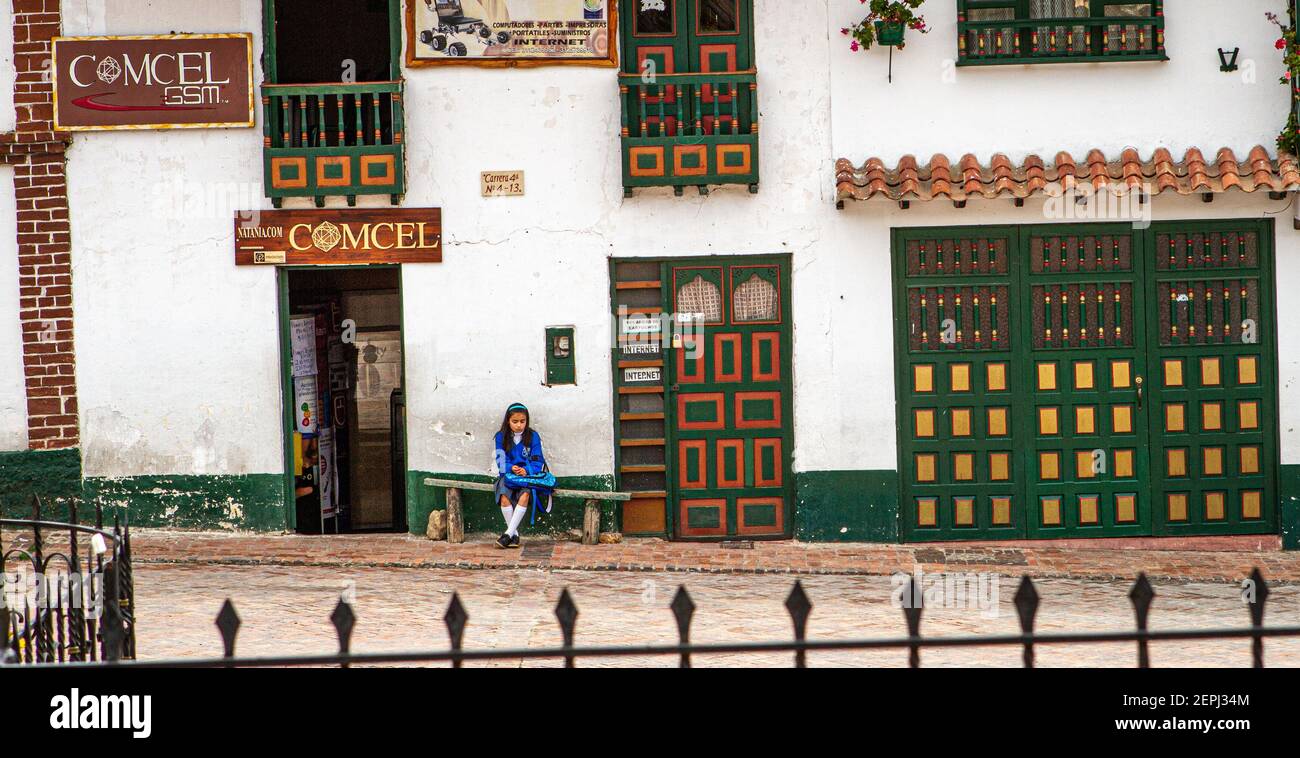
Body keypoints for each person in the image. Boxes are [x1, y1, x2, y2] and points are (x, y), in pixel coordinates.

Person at [491, 402, 547, 548]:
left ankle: (508, 535)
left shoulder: (533, 436)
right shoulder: (500, 437)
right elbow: (500, 461)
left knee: (525, 495)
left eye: (522, 421)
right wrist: (511, 468)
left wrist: (527, 471)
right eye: (514, 421)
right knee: (504, 497)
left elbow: (538, 460)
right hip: (508, 476)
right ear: (508, 421)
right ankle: (514, 534)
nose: (518, 425)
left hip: (527, 477)